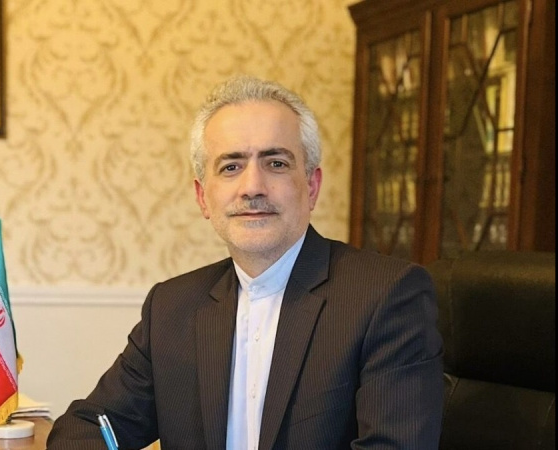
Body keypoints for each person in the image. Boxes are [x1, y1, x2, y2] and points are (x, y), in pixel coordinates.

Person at [46, 75, 444, 449]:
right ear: (203, 197)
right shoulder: (171, 307)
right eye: (231, 167)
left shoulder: (387, 296)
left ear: (311, 186)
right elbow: (85, 427)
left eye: (276, 163)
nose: (252, 187)